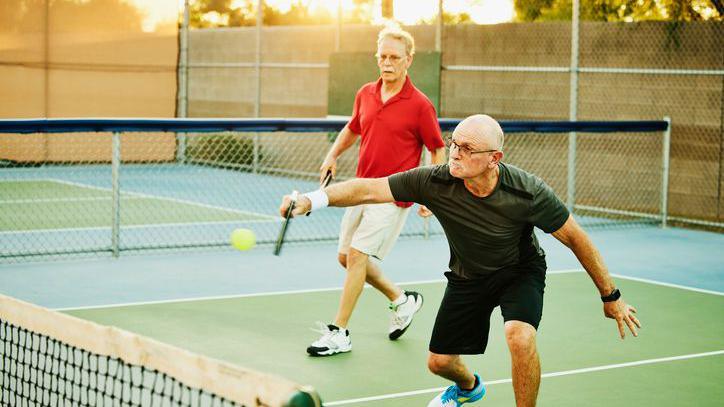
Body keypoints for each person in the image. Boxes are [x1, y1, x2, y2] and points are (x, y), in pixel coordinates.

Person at [281, 114, 642, 406]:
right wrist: (313, 200)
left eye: (467, 148)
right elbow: (369, 188)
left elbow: (576, 238)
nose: (454, 153)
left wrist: (610, 296)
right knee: (439, 363)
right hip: (468, 275)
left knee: (518, 336)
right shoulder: (435, 181)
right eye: (454, 143)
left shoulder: (527, 191)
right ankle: (469, 388)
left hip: (519, 271)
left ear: (493, 158)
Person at [307, 24, 447, 357]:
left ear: (408, 60)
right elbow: (353, 127)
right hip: (359, 188)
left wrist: (431, 194)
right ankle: (402, 300)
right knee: (346, 258)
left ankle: (339, 332)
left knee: (357, 257)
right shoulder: (365, 93)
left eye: (394, 57)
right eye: (382, 56)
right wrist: (332, 154)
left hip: (393, 194)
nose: (387, 63)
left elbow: (437, 149)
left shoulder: (421, 105)